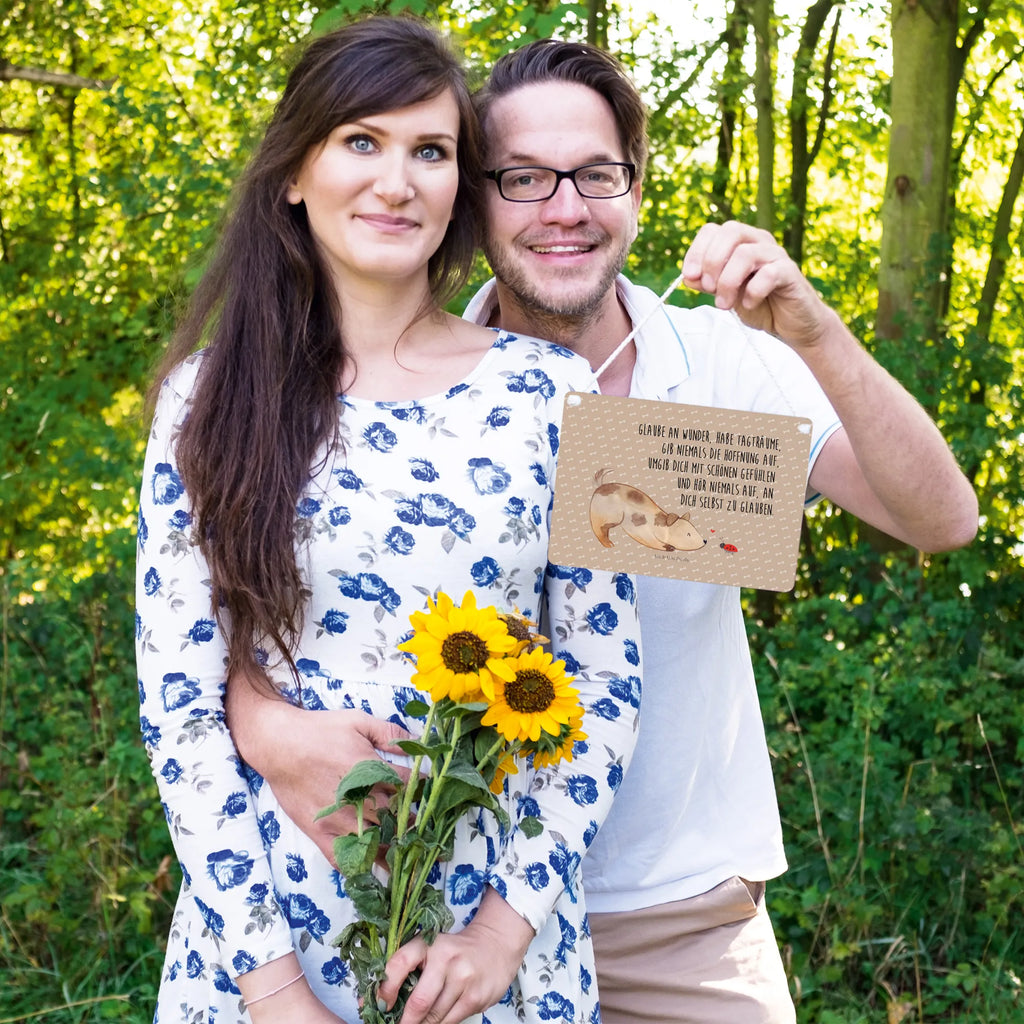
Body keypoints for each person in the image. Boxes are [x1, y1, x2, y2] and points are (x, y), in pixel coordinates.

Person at [226, 35, 979, 1024]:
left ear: (636, 185)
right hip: (455, 909)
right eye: (525, 178)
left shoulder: (718, 358)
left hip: (679, 921)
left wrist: (809, 326)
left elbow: (941, 519)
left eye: (594, 173)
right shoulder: (401, 380)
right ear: (473, 196)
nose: (565, 208)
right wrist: (260, 717)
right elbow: (270, 619)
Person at [135, 19, 641, 1024]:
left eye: (432, 152)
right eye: (361, 142)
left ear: (460, 186)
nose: (397, 181)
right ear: (293, 172)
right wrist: (276, 994)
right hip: (266, 936)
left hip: (486, 945)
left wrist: (499, 935)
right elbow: (179, 708)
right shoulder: (205, 399)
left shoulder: (561, 390)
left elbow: (607, 679)